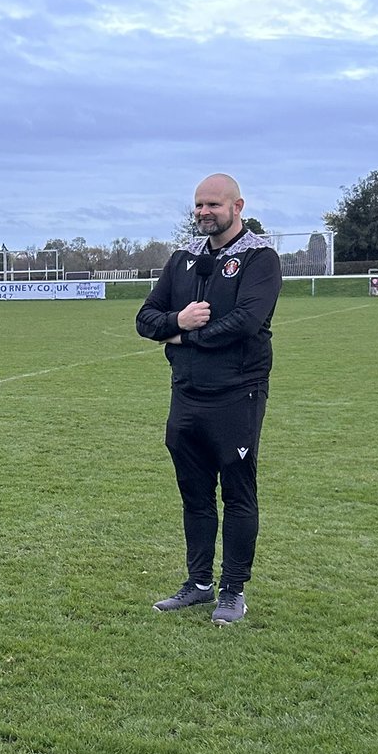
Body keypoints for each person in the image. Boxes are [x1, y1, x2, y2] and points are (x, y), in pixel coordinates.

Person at [135, 173, 282, 625]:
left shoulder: (260, 258)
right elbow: (145, 319)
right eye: (198, 205)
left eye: (213, 205)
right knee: (194, 495)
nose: (203, 213)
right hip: (186, 396)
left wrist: (182, 338)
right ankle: (198, 584)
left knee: (238, 494)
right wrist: (178, 320)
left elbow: (245, 322)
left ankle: (233, 590)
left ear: (237, 206)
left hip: (237, 394)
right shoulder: (182, 260)